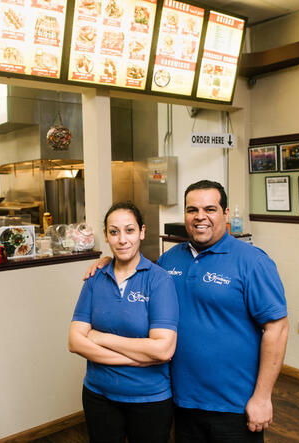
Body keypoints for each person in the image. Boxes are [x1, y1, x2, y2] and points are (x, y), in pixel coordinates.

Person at [86, 181, 288, 442]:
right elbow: (135, 272)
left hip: (233, 404)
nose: (200, 216)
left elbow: (277, 328)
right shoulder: (170, 259)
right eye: (192, 209)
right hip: (181, 401)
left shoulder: (252, 261)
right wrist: (108, 263)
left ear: (226, 214)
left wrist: (262, 397)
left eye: (210, 209)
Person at [69, 202, 179, 443]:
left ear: (142, 232)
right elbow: (75, 342)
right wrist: (135, 358)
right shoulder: (95, 278)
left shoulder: (159, 281)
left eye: (129, 230)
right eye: (114, 231)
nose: (122, 239)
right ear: (107, 237)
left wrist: (101, 338)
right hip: (99, 396)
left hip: (149, 400)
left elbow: (163, 349)